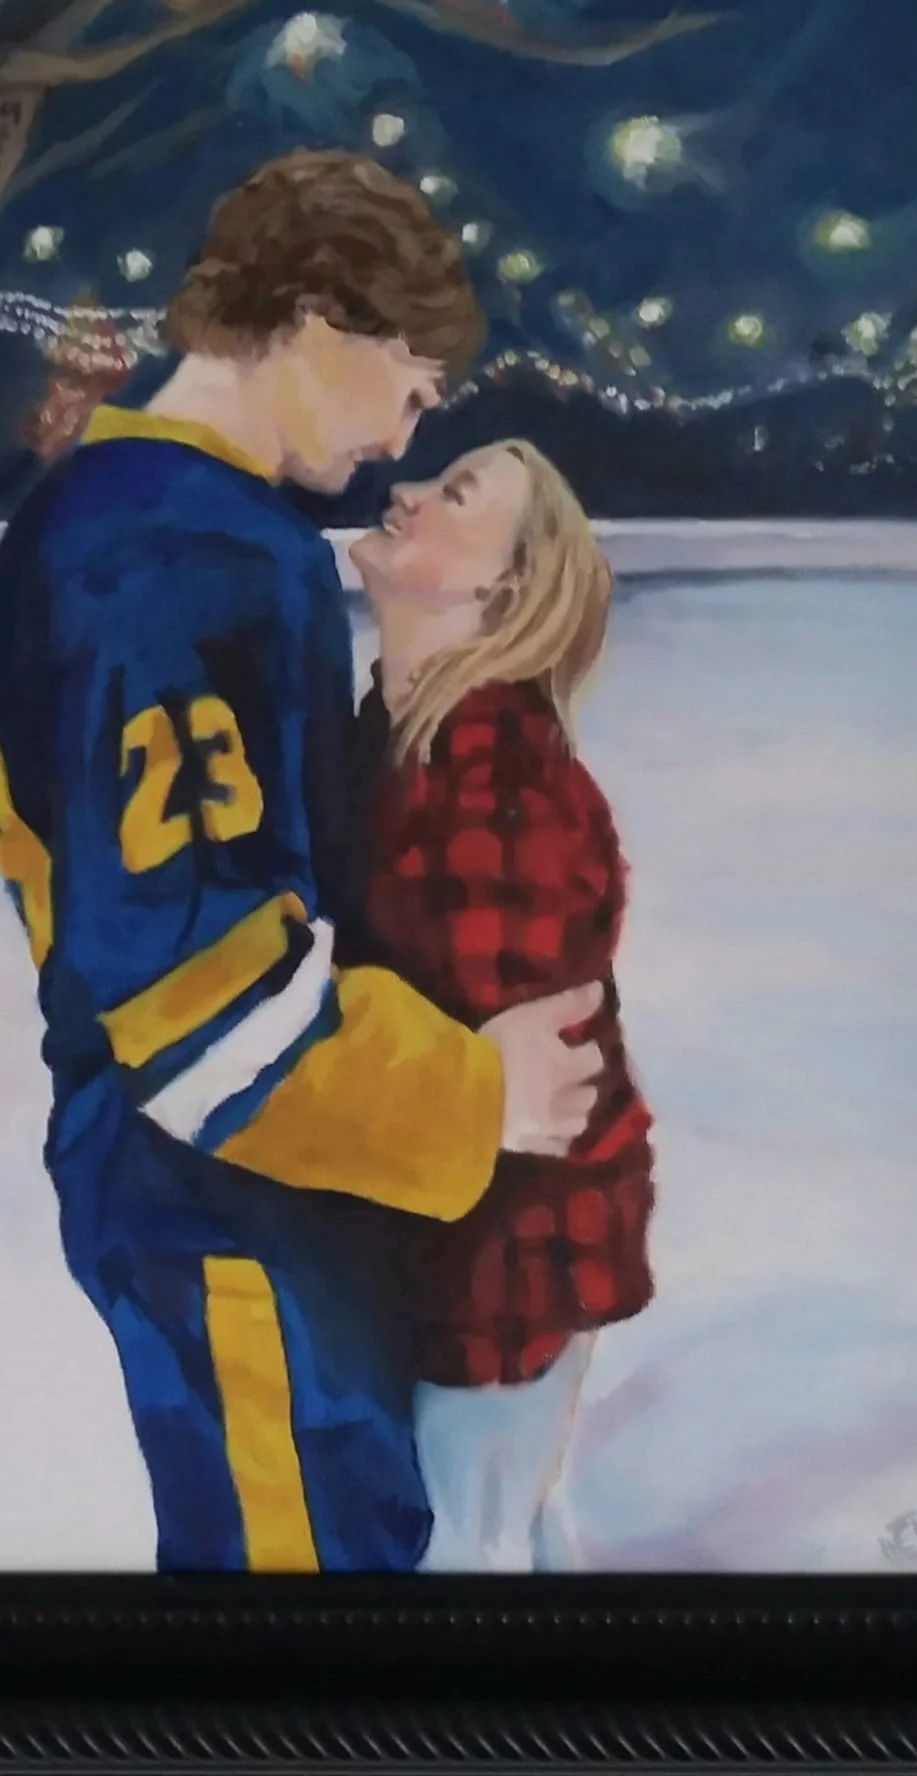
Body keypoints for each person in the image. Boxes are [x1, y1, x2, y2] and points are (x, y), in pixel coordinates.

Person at [0, 152, 604, 1575]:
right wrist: (477, 1093)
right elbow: (204, 1002)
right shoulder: (187, 551)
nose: (399, 444)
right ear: (321, 323)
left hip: (229, 1185)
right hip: (226, 1200)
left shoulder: (119, 518)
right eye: (412, 391)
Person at [347, 439, 657, 1573]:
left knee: (469, 1559)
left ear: (503, 587)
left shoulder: (498, 777)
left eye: (454, 494)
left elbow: (520, 1070)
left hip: (498, 1272)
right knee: (497, 1540)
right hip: (447, 1249)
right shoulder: (393, 744)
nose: (405, 492)